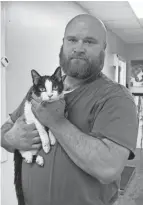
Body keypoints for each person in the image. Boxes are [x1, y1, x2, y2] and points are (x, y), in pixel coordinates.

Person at [1, 14, 138, 205]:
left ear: (103, 49)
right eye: (72, 40)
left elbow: (108, 168)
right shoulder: (40, 89)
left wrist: (56, 122)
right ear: (63, 43)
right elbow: (4, 132)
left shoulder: (116, 98)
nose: (79, 48)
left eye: (89, 42)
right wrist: (11, 138)